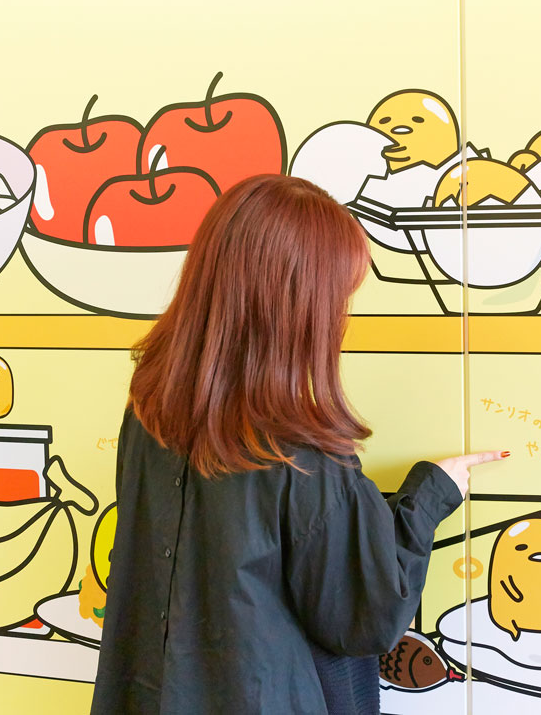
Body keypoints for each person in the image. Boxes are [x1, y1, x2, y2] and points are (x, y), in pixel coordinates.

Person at [89, 174, 507, 714]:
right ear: (299, 305)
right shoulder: (300, 453)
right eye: (338, 297)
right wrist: (431, 495)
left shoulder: (148, 410)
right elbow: (365, 616)